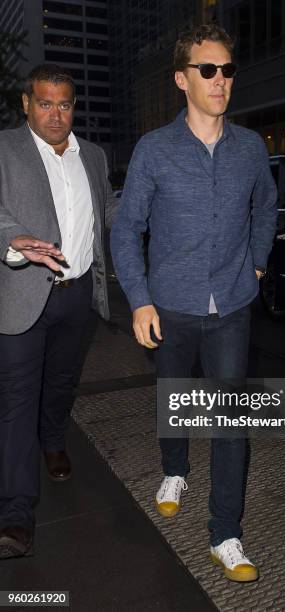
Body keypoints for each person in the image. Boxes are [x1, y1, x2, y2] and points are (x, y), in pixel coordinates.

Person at [111, 24, 277, 582]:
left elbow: (266, 206)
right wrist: (138, 300)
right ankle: (174, 469)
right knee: (172, 398)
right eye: (208, 70)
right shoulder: (154, 150)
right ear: (183, 79)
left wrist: (255, 261)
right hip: (171, 305)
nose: (220, 80)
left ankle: (225, 534)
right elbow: (126, 227)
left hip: (231, 305)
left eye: (227, 69)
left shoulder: (251, 147)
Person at [0, 64, 117, 559]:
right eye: (45, 103)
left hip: (76, 294)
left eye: (65, 104)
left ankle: (54, 441)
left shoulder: (93, 155)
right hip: (22, 290)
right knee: (15, 402)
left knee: (63, 381)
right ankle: (15, 515)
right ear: (26, 103)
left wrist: (146, 209)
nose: (56, 113)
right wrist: (12, 240)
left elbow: (106, 210)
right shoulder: (4, 148)